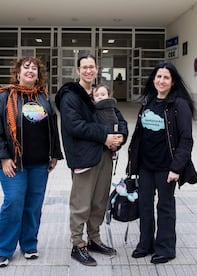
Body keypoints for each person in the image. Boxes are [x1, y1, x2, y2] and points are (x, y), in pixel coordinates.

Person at [55, 53, 128, 266]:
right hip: (84, 158)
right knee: (81, 204)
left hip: (104, 156)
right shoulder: (71, 96)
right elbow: (74, 126)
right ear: (78, 70)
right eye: (84, 67)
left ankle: (94, 239)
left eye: (92, 67)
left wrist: (120, 136)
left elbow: (118, 117)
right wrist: (104, 136)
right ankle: (78, 245)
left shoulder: (98, 94)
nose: (88, 70)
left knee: (99, 202)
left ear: (97, 69)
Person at [0, 56, 63, 267]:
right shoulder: (4, 97)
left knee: (33, 205)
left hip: (39, 163)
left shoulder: (44, 97)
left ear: (39, 75)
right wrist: (3, 158)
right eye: (26, 67)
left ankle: (29, 244)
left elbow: (52, 127)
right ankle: (3, 249)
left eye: (35, 69)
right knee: (13, 202)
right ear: (18, 73)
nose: (31, 71)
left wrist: (54, 154)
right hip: (14, 163)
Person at [128, 61, 197, 264]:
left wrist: (176, 168)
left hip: (167, 167)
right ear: (153, 79)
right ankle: (145, 244)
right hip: (145, 165)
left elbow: (186, 140)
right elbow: (139, 135)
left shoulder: (179, 105)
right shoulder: (148, 101)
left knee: (165, 207)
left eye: (166, 77)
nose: (161, 80)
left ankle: (166, 248)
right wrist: (133, 163)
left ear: (173, 81)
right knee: (144, 206)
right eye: (158, 77)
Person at [74, 84, 119, 174]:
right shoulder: (112, 105)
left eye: (103, 95)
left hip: (107, 131)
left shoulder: (103, 106)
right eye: (97, 95)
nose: (100, 97)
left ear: (109, 96)